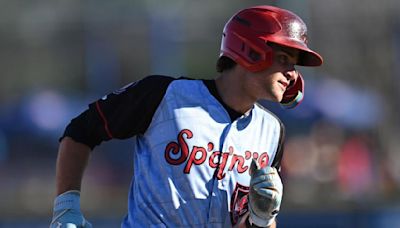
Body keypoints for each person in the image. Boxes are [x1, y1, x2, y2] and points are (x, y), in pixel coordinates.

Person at [50, 5, 323, 228]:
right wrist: (67, 207)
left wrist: (262, 218)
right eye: (284, 59)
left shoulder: (272, 131)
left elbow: (244, 222)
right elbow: (81, 131)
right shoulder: (165, 95)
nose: (292, 74)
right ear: (251, 50)